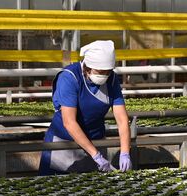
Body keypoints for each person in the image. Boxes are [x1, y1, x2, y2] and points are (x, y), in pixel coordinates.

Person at [39, 40, 132, 176]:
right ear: (87, 67)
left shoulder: (111, 80)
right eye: (100, 71)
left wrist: (125, 152)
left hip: (95, 139)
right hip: (64, 144)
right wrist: (96, 155)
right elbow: (69, 122)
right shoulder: (70, 77)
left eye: (107, 72)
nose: (104, 75)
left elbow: (122, 119)